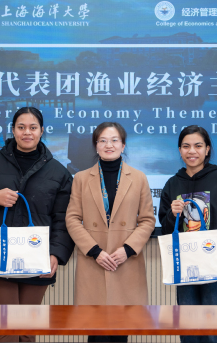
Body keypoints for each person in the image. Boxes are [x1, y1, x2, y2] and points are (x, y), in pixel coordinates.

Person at [0, 106, 74, 343]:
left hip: (37, 258)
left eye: (33, 127)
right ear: (13, 130)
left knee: (27, 331)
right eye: (21, 127)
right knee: (7, 330)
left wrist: (56, 254)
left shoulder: (59, 172)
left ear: (41, 131)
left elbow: (63, 218)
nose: (27, 132)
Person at [66, 122, 156, 343]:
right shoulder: (81, 178)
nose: (109, 145)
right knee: (95, 332)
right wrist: (95, 251)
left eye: (115, 140)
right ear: (96, 145)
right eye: (103, 140)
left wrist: (128, 249)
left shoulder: (139, 178)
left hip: (124, 262)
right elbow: (72, 219)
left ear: (123, 145)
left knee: (121, 332)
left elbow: (147, 220)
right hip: (94, 262)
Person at [158, 125, 217, 343]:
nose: (192, 151)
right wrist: (172, 214)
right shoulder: (172, 184)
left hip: (216, 267)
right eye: (186, 146)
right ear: (179, 150)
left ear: (207, 149)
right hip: (185, 267)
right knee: (188, 330)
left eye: (198, 146)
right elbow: (166, 230)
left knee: (212, 332)